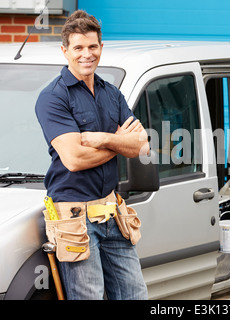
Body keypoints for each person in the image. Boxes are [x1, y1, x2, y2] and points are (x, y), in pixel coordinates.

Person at [35, 10, 149, 300]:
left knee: (135, 295)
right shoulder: (53, 97)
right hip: (74, 219)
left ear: (101, 48)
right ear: (65, 51)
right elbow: (74, 160)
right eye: (78, 48)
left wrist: (101, 139)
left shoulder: (112, 93)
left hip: (113, 213)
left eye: (92, 46)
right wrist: (119, 143)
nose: (87, 54)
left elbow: (142, 146)